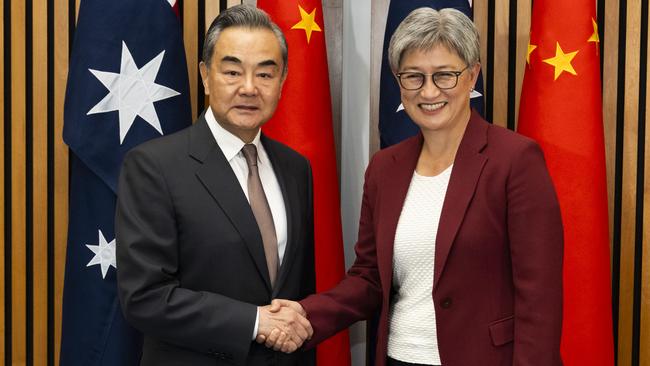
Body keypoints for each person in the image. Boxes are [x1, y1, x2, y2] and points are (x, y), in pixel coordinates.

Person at [263, 7, 564, 366]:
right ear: (399, 82)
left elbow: (539, 298)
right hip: (398, 357)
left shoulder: (515, 161)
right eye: (414, 77)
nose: (429, 91)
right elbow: (369, 279)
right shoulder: (384, 169)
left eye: (445, 75)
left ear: (472, 76)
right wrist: (305, 314)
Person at [115, 5, 316, 366]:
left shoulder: (295, 168)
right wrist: (254, 322)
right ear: (206, 76)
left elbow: (297, 294)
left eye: (265, 74)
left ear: (283, 80)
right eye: (233, 71)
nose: (249, 88)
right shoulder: (153, 166)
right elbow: (144, 297)